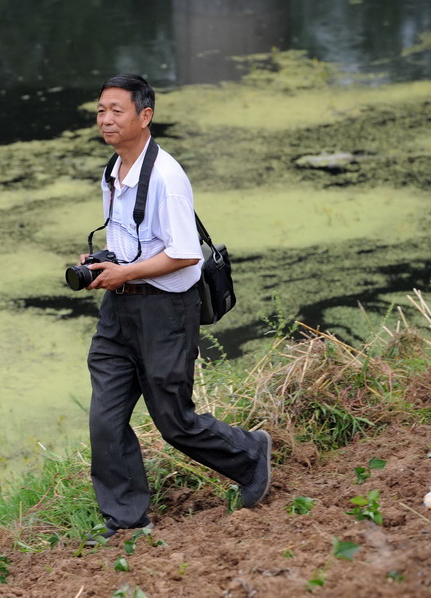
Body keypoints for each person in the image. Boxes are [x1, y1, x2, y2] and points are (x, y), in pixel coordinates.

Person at [80, 74, 271, 542]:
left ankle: (250, 456)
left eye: (116, 110)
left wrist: (124, 272)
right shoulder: (113, 170)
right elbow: (129, 241)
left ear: (145, 117)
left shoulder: (167, 176)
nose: (106, 119)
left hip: (166, 311)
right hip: (118, 311)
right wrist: (103, 263)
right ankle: (126, 521)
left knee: (173, 421)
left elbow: (185, 253)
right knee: (105, 419)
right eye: (101, 110)